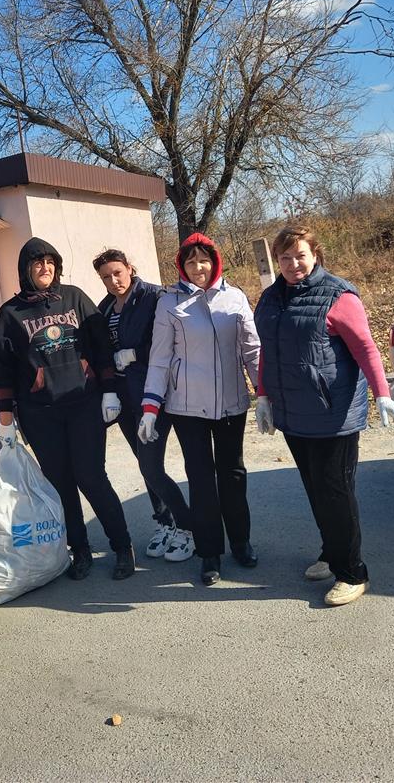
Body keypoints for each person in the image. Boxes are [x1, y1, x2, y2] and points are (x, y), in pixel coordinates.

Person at [252, 222, 394, 607]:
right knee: (314, 489)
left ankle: (352, 572)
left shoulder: (339, 296)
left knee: (335, 492)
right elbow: (267, 352)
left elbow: (366, 349)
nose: (293, 264)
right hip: (292, 412)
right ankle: (331, 552)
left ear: (315, 254)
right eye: (285, 258)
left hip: (332, 414)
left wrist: (382, 395)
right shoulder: (271, 298)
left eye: (300, 256)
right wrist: (263, 396)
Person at [0, 237, 135, 581]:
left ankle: (122, 545)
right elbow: (1, 368)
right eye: (37, 263)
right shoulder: (10, 314)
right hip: (40, 414)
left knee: (92, 477)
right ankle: (79, 549)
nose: (45, 268)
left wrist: (109, 391)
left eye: (50, 262)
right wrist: (6, 420)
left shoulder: (75, 298)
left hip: (84, 405)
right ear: (26, 269)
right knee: (60, 484)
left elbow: (101, 348)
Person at [139, 233, 261, 586]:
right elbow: (160, 358)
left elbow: (252, 350)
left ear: (215, 261)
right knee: (201, 478)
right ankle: (209, 552)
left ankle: (240, 541)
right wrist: (151, 405)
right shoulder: (169, 302)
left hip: (231, 404)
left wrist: (264, 394)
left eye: (203, 260)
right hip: (186, 407)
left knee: (233, 474)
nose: (198, 268)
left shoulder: (235, 298)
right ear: (182, 265)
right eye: (190, 262)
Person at [94, 249, 194, 563]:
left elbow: (172, 341)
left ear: (130, 268)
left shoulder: (154, 297)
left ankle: (188, 529)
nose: (113, 281)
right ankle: (165, 523)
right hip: (124, 397)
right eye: (106, 277)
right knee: (144, 463)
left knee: (151, 465)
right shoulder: (106, 306)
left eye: (117, 273)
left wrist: (136, 353)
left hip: (152, 394)